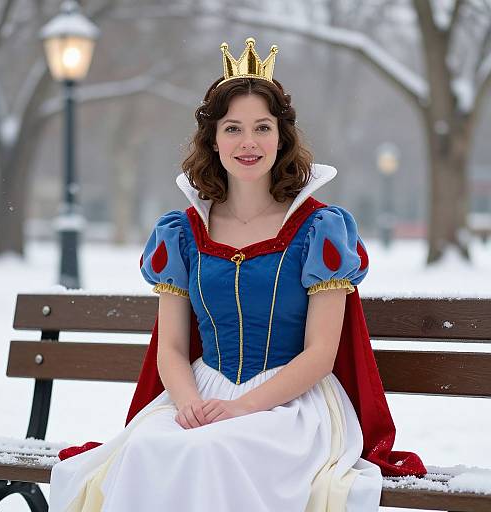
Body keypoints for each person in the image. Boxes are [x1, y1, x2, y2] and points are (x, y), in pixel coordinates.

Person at [49, 37, 426, 512]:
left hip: (291, 404)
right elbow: (169, 346)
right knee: (152, 449)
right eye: (233, 128)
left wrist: (241, 408)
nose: (248, 143)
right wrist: (189, 404)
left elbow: (319, 356)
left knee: (216, 451)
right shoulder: (182, 233)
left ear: (281, 138)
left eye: (262, 127)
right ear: (213, 139)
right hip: (202, 396)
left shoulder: (319, 230)